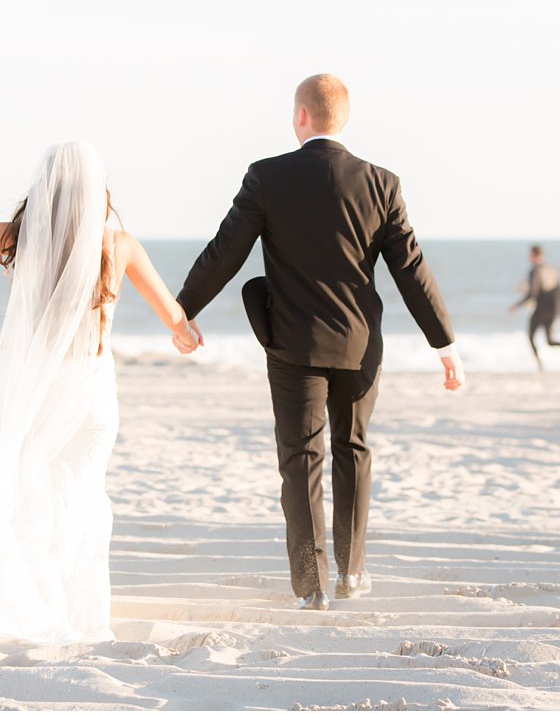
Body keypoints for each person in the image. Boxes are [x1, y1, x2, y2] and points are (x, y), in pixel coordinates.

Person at [174, 74, 464, 612]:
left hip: (293, 345)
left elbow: (225, 252)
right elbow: (411, 269)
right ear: (343, 119)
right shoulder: (382, 183)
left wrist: (182, 312)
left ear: (301, 116)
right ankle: (352, 573)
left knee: (300, 459)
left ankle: (311, 586)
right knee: (352, 451)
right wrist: (443, 345)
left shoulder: (267, 177)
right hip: (360, 346)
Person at [0, 130, 199, 646]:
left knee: (37, 496)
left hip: (42, 390)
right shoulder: (118, 246)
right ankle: (80, 613)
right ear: (97, 190)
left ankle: (36, 598)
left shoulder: (21, 240)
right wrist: (185, 333)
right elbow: (173, 314)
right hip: (93, 392)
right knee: (83, 498)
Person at [508, 244, 560, 370]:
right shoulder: (551, 270)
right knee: (550, 341)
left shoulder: (535, 271)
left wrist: (517, 305)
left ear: (534, 255)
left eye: (530, 255)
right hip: (553, 310)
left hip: (540, 309)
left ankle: (540, 366)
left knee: (530, 337)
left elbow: (532, 294)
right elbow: (559, 290)